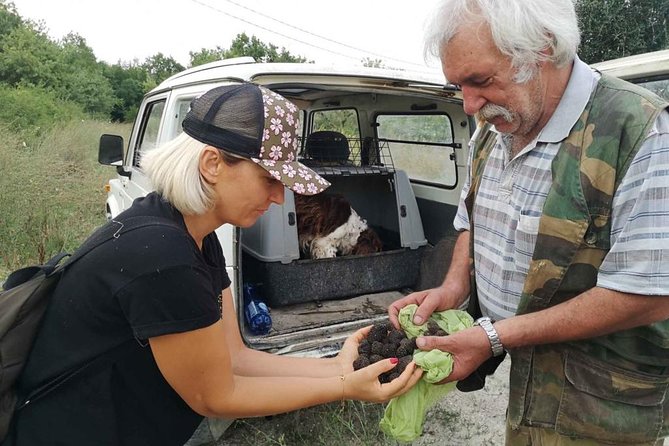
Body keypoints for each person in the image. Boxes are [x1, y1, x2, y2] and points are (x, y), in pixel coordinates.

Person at [3, 83, 423, 446]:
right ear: (212, 164)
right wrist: (343, 388)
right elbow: (216, 395)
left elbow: (234, 357)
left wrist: (333, 367)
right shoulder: (162, 255)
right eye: (269, 179)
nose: (281, 198)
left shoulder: (193, 235)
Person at [388, 1, 669, 444]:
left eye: (479, 81)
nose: (468, 106)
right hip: (528, 376)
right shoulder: (495, 127)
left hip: (600, 401)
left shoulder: (641, 130)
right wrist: (453, 288)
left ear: (544, 48)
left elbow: (649, 294)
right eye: (458, 85)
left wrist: (495, 337)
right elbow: (472, 220)